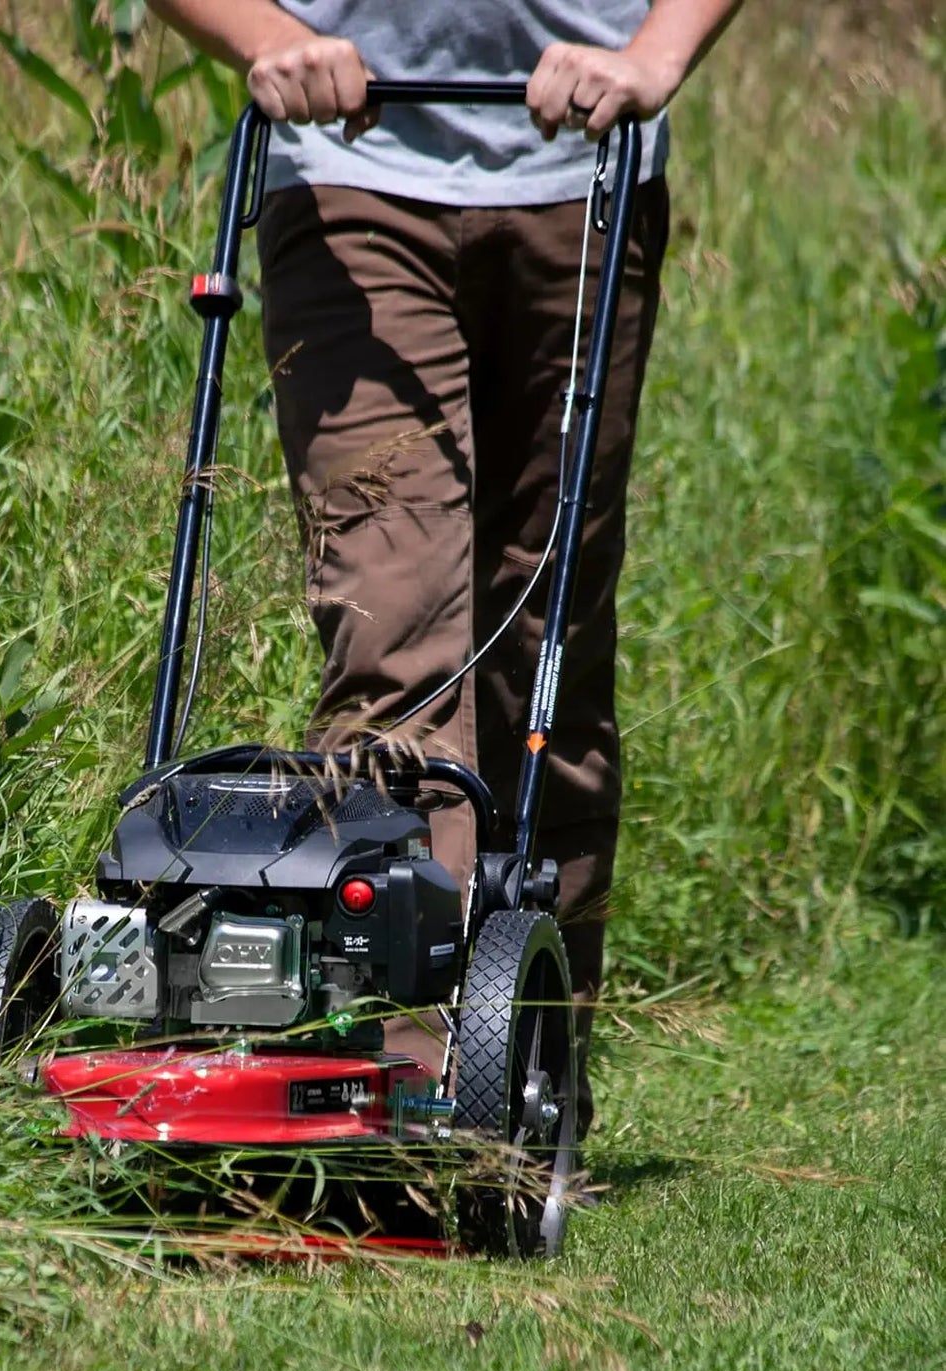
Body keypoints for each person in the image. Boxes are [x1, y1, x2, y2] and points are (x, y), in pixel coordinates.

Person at [144, 0, 742, 1132]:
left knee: (546, 639)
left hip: (584, 169)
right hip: (345, 176)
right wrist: (260, 36)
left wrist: (656, 53)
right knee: (393, 631)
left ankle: (530, 1065)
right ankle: (400, 1084)